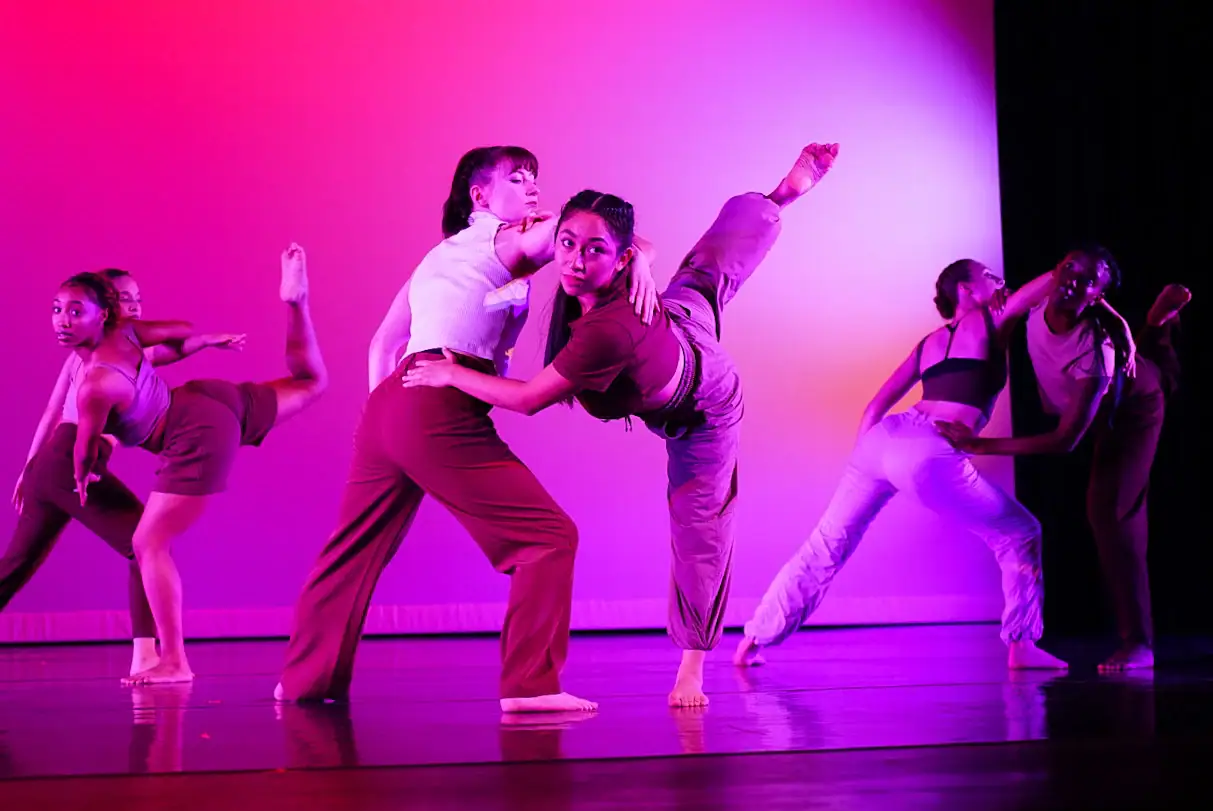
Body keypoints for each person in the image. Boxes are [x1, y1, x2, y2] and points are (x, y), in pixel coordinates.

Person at [402, 142, 839, 707]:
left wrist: (450, 375)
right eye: (567, 244)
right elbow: (624, 239)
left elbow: (531, 399)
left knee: (700, 523)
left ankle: (693, 668)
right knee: (708, 268)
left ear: (619, 258)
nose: (575, 262)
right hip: (679, 318)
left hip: (703, 399)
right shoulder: (608, 269)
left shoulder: (606, 329)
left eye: (595, 251)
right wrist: (645, 260)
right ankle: (781, 195)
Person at [276, 146, 657, 713]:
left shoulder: (438, 257)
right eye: (519, 178)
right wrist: (642, 259)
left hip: (391, 404)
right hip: (439, 400)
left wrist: (388, 415)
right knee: (547, 539)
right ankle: (531, 687)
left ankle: (302, 682)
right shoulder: (509, 239)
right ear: (480, 197)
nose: (532, 188)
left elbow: (382, 344)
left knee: (351, 552)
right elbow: (596, 233)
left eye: (535, 179)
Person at [733, 259, 1091, 672]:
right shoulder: (994, 319)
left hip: (881, 440)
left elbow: (874, 406)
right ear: (967, 291)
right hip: (929, 448)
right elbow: (1056, 277)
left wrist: (862, 464)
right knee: (1019, 532)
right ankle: (1022, 646)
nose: (1001, 282)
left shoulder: (927, 344)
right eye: (990, 277)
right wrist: (1110, 315)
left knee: (826, 543)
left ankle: (755, 637)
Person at [67, 244, 327, 685]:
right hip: (206, 397)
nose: (61, 321)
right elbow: (178, 333)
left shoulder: (94, 381)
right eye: (58, 311)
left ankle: (175, 661)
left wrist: (82, 474)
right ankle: (296, 304)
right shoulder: (128, 339)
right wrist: (189, 338)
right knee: (311, 382)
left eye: (73, 311)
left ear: (98, 316)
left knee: (148, 544)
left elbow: (84, 445)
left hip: (192, 434)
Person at [938, 246, 1190, 672]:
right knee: (1145, 364)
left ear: (1095, 296)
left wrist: (982, 445)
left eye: (1088, 279)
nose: (1073, 277)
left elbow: (1065, 441)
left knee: (1109, 510)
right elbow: (1028, 293)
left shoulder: (1095, 351)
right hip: (1095, 392)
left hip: (1128, 413)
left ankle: (1139, 644)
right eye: (1070, 266)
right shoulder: (1038, 299)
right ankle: (1156, 328)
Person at [3, 268, 244, 676]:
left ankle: (146, 654)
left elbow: (170, 348)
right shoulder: (93, 359)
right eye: (124, 298)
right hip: (63, 463)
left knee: (17, 564)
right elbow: (54, 411)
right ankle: (146, 656)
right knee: (144, 544)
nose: (133, 306)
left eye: (138, 298)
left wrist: (204, 343)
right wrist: (29, 467)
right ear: (108, 309)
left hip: (56, 467)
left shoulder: (121, 350)